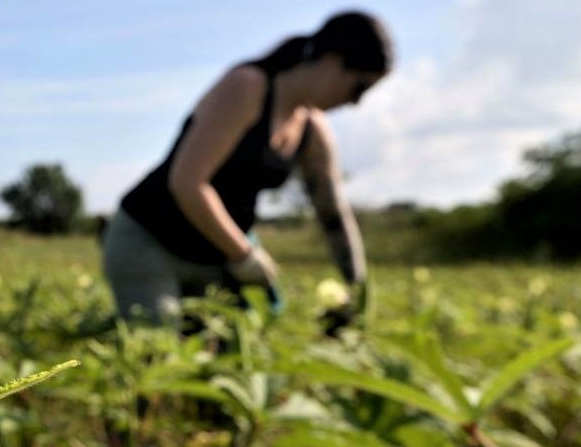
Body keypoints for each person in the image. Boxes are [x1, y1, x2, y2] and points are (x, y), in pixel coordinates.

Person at [103, 10, 392, 327]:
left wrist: (357, 290)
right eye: (359, 87)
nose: (356, 102)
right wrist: (244, 255)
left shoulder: (313, 129)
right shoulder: (247, 86)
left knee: (229, 347)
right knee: (158, 345)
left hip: (214, 256)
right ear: (332, 61)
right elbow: (188, 183)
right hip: (149, 242)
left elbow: (332, 213)